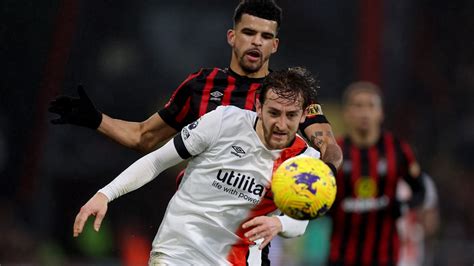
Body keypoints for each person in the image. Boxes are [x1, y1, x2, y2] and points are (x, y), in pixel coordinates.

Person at [48, 0, 343, 171]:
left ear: (275, 45)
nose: (256, 41)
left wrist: (324, 171)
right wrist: (95, 120)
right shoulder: (201, 85)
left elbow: (327, 144)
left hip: (253, 236)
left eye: (265, 37)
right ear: (231, 37)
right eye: (249, 32)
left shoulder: (289, 95)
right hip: (194, 229)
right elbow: (143, 137)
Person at [73, 67, 323, 265]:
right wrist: (106, 193)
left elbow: (300, 220)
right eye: (274, 112)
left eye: (291, 115)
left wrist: (279, 224)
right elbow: (157, 160)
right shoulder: (223, 122)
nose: (281, 123)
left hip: (238, 260)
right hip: (178, 252)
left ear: (303, 116)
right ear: (259, 106)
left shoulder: (305, 160)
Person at [327, 81, 425, 266]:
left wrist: (403, 206)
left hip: (384, 256)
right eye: (358, 106)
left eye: (371, 106)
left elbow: (420, 191)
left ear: (381, 113)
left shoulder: (398, 150)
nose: (364, 113)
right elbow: (319, 196)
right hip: (341, 255)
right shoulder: (333, 152)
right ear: (346, 113)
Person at [396, 172, 440, 266]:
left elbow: (431, 223)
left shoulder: (422, 181)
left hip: (412, 259)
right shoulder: (380, 177)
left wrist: (417, 228)